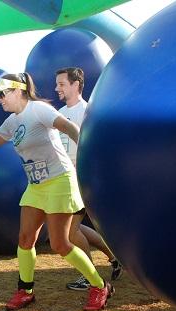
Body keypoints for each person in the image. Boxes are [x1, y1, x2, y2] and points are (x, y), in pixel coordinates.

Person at [0, 72, 114, 311]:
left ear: (17, 90)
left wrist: (85, 151)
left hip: (59, 181)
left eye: (2, 94)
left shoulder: (38, 110)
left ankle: (99, 285)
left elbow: (69, 127)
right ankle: (25, 290)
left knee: (60, 244)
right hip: (36, 186)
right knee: (24, 240)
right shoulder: (12, 121)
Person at [54, 67, 123, 291]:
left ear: (76, 85)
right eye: (57, 84)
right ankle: (115, 258)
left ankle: (89, 276)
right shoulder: (59, 113)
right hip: (64, 179)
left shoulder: (88, 112)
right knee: (77, 229)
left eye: (62, 84)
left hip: (82, 181)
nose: (57, 88)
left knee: (70, 232)